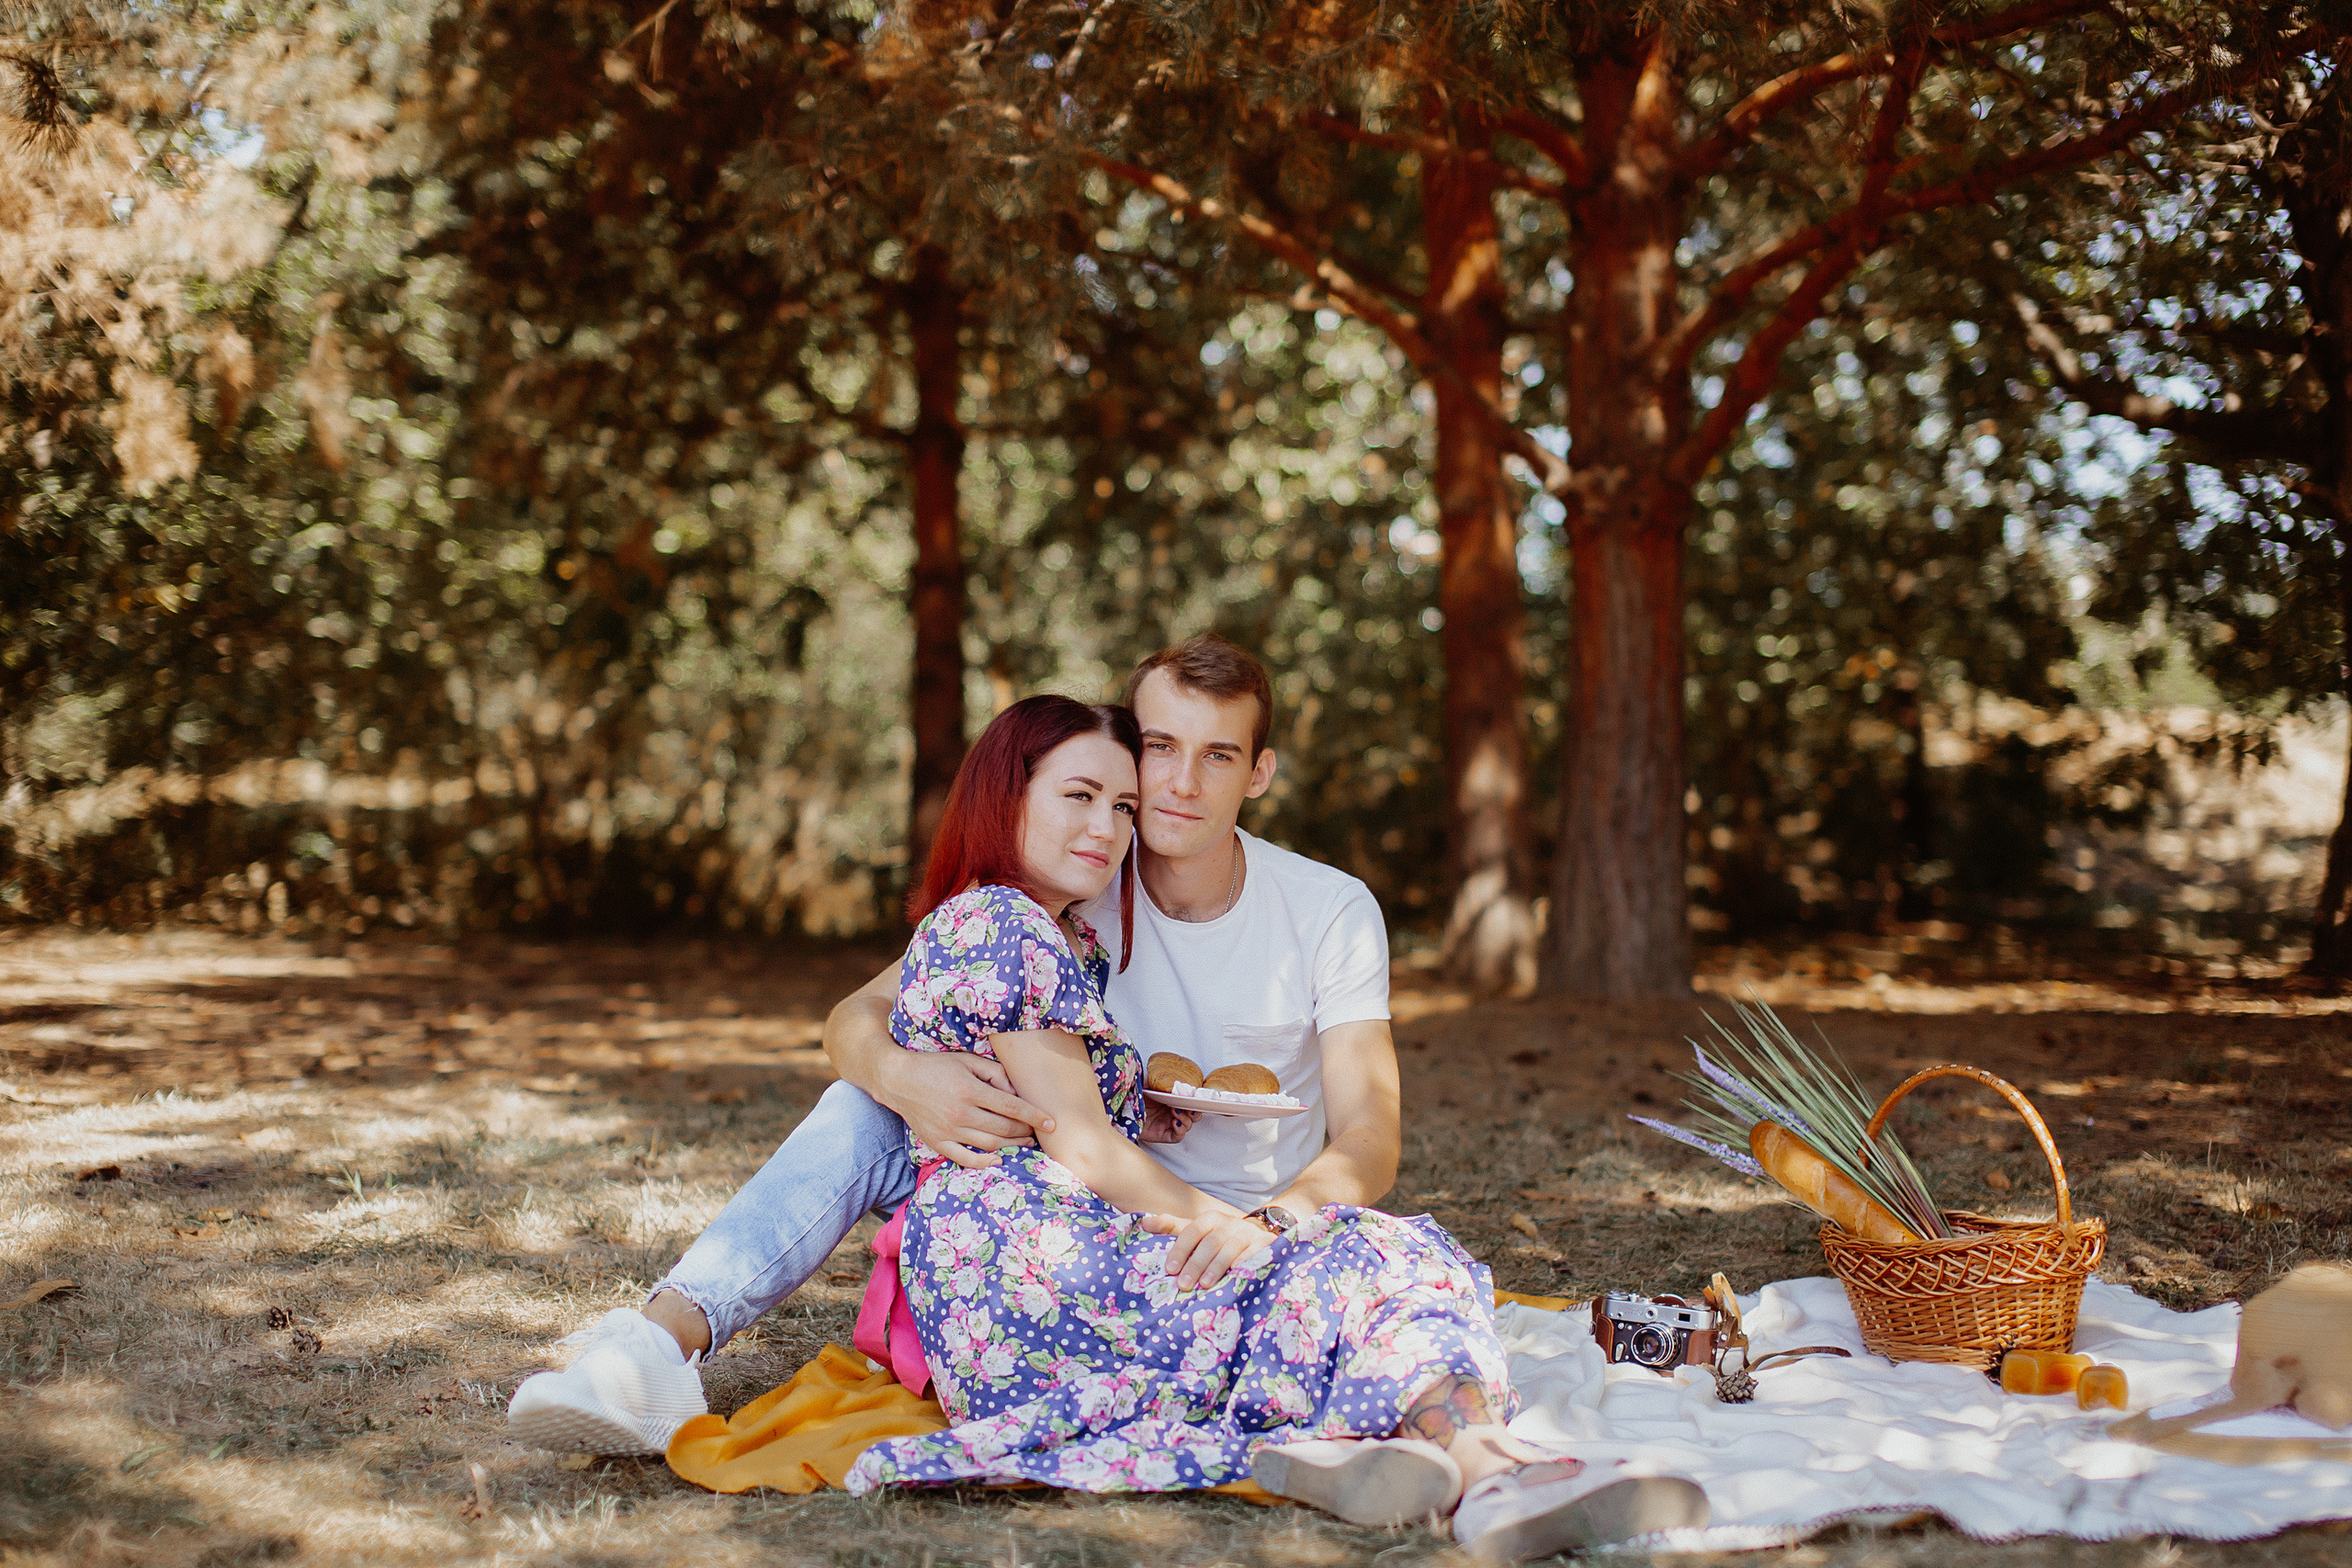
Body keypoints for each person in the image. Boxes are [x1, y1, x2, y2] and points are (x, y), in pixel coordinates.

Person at [833, 694, 1708, 1562]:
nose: (1107, 826)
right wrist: (1221, 1222)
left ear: (1257, 772)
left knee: (1371, 1261)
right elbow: (1083, 1143)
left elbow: (1068, 1105)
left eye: (1121, 804)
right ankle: (1487, 1469)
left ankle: (1453, 1465)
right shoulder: (1001, 921)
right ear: (1006, 795)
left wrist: (1146, 1103)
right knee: (1376, 1259)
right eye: (1078, 797)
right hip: (1030, 1279)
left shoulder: (1054, 929)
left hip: (1019, 1277)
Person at [510, 636, 1403, 1455]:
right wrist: (907, 1078)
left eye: (1216, 756)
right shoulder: (1076, 872)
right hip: (1054, 1198)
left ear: (1259, 771)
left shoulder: (1320, 907)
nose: (1175, 785)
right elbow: (851, 1017)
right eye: (1158, 749)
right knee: (862, 1103)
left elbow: (1372, 1135)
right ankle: (654, 1343)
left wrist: (1268, 1218)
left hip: (1202, 1211)